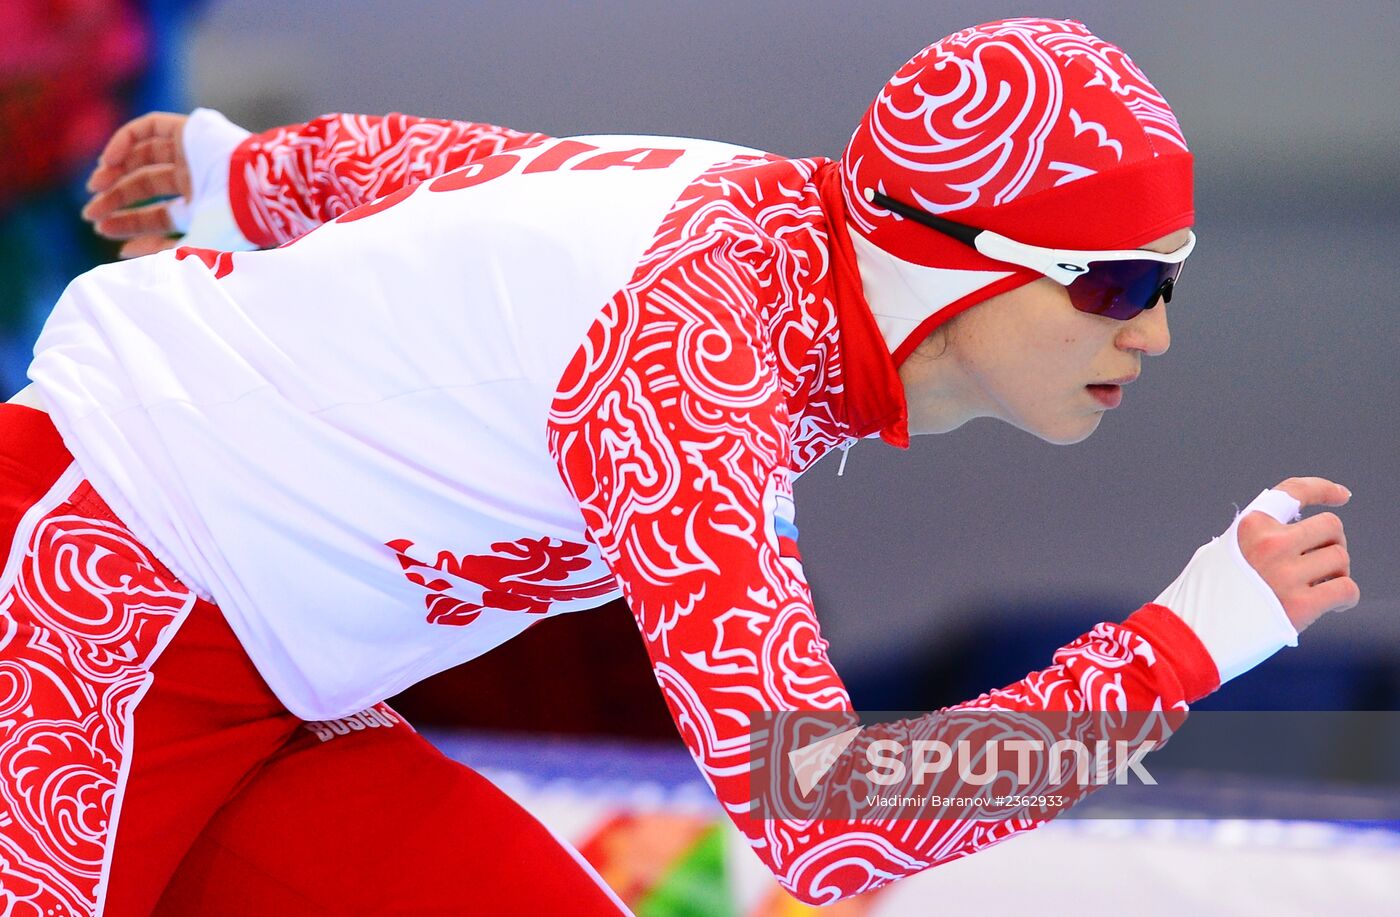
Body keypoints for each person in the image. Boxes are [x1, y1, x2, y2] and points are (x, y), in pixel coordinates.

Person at [0, 17, 1358, 915]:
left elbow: (475, 171)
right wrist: (1180, 651)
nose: (1158, 329)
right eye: (1117, 281)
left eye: (1170, 279)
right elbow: (819, 814)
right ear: (953, 260)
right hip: (78, 606)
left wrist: (249, 179)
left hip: (276, 675)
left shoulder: (774, 210)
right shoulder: (687, 369)